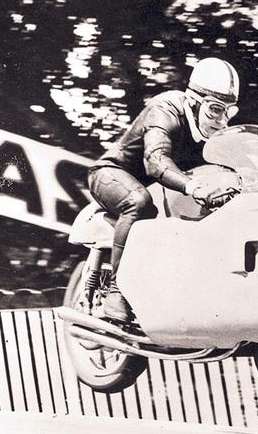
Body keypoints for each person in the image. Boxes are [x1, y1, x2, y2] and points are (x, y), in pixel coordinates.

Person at [88, 57, 241, 323]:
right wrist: (193, 186)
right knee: (139, 202)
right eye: (215, 109)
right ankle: (117, 291)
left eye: (229, 112)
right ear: (193, 102)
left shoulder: (208, 130)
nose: (222, 121)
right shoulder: (165, 110)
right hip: (111, 174)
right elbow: (156, 161)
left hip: (158, 184)